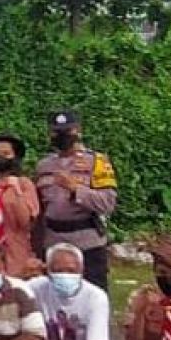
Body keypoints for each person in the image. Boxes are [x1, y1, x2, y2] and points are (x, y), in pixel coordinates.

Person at [35, 110, 118, 292]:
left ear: (78, 130)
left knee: (93, 295)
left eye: (67, 131)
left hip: (87, 243)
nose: (62, 136)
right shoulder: (43, 165)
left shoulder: (97, 161)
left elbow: (108, 203)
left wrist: (76, 189)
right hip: (53, 241)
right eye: (56, 132)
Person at [0, 134, 40, 279]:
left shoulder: (24, 184)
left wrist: (17, 191)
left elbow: (26, 221)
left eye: (6, 153)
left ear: (14, 157)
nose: (0, 157)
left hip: (16, 252)